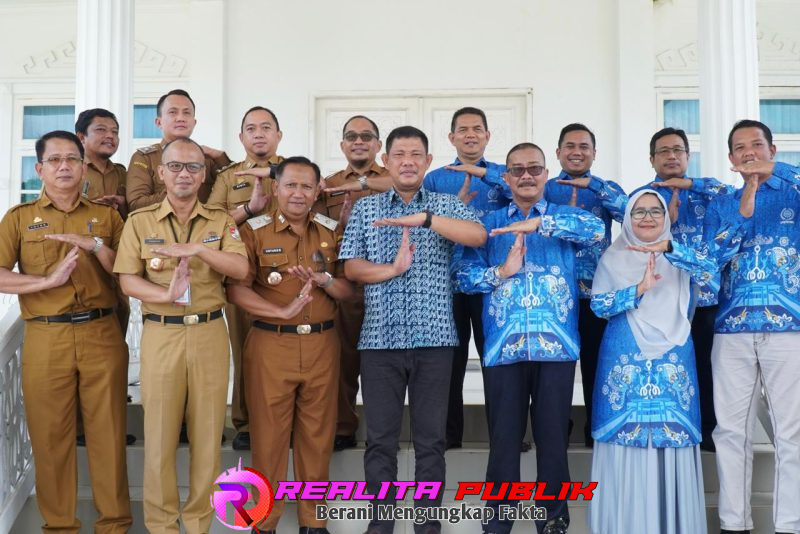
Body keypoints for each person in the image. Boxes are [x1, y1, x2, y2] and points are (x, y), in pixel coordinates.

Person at [339, 125, 486, 534]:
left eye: (415, 154)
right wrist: (391, 270)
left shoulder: (443, 205)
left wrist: (426, 219)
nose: (407, 161)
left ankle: (427, 526)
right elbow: (351, 266)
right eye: (399, 154)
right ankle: (380, 526)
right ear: (385, 161)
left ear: (427, 162)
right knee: (381, 441)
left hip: (435, 341)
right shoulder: (369, 210)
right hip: (379, 341)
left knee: (430, 443)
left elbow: (477, 235)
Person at [455, 142, 604, 534]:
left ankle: (553, 520)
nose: (526, 175)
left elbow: (597, 229)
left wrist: (540, 224)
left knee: (553, 438)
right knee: (504, 440)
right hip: (504, 347)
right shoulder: (486, 224)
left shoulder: (567, 217)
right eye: (517, 169)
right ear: (505, 178)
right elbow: (463, 275)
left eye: (534, 169)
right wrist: (501, 272)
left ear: (546, 175)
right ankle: (498, 521)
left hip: (555, 347)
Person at [114, 137, 248, 534]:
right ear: (161, 172)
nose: (184, 174)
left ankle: (198, 524)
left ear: (204, 174)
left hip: (208, 332)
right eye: (175, 166)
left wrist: (199, 250)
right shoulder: (140, 222)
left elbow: (240, 270)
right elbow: (126, 280)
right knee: (158, 439)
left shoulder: (221, 221)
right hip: (162, 333)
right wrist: (165, 295)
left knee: (207, 439)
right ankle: (161, 526)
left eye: (192, 167)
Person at [0, 130, 131, 533]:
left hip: (101, 332)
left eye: (71, 159)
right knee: (51, 437)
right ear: (39, 168)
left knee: (108, 435)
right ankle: (60, 527)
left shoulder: (108, 217)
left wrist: (94, 245)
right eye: (54, 160)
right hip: (46, 336)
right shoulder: (18, 219)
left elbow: (128, 272)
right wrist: (45, 282)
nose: (63, 167)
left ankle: (114, 524)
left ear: (83, 166)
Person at [227, 156, 355, 534]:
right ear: (275, 189)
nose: (298, 193)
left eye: (306, 187)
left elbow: (348, 289)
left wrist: (325, 281)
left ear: (317, 191)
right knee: (268, 440)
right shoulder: (254, 231)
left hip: (322, 345)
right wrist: (279, 312)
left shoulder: (333, 231)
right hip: (271, 344)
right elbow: (236, 288)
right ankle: (263, 523)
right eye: (290, 186)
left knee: (317, 439)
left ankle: (313, 524)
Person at [588, 190, 715, 534]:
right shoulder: (612, 259)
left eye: (655, 211)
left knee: (670, 441)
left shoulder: (681, 257)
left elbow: (711, 279)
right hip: (623, 356)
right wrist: (637, 289)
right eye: (639, 211)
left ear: (667, 217)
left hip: (673, 357)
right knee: (624, 443)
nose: (647, 217)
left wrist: (670, 251)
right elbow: (598, 305)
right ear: (627, 218)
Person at [704, 120, 800, 534]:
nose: (749, 153)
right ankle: (734, 524)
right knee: (730, 431)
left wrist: (777, 172)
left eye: (756, 145)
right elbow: (710, 259)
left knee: (790, 434)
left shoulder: (795, 191)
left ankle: (789, 524)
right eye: (740, 148)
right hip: (732, 328)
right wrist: (745, 205)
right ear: (730, 160)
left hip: (788, 326)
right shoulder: (721, 203)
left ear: (773, 149)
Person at [631, 127, 736, 451]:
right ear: (652, 159)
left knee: (706, 365)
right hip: (658, 297)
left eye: (678, 150)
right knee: (665, 364)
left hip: (703, 298)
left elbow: (730, 190)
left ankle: (707, 430)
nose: (672, 156)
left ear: (688, 157)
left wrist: (687, 185)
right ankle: (666, 424)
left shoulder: (710, 194)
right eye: (664, 151)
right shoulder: (642, 197)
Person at [423, 106, 510, 450]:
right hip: (449, 282)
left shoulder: (503, 174)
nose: (470, 134)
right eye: (463, 129)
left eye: (477, 129)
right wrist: (451, 210)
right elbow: (425, 228)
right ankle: (448, 434)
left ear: (488, 136)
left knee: (497, 360)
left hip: (494, 280)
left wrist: (482, 173)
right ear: (452, 137)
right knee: (449, 362)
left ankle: (504, 435)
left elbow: (519, 198)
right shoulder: (435, 179)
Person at [205, 105, 285, 451]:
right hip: (242, 274)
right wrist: (248, 209)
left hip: (288, 275)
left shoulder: (294, 170)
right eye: (251, 128)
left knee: (286, 349)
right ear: (241, 138)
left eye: (266, 127)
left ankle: (285, 419)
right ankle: (247, 422)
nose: (259, 133)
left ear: (278, 135)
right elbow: (211, 225)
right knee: (244, 350)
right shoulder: (227, 178)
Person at [543, 123, 626, 447]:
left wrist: (597, 187)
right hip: (555, 294)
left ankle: (595, 429)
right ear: (558, 152)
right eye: (570, 146)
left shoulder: (605, 189)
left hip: (596, 292)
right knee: (555, 368)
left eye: (584, 147)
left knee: (596, 362)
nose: (577, 152)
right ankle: (555, 431)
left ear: (594, 153)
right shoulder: (546, 188)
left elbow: (631, 216)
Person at [313, 115, 386, 451]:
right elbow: (315, 229)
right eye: (352, 136)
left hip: (385, 285)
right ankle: (343, 426)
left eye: (367, 136)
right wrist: (338, 227)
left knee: (382, 363)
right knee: (341, 359)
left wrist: (363, 186)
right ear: (342, 145)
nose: (359, 141)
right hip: (342, 284)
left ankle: (383, 430)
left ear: (378, 145)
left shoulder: (393, 179)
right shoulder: (326, 184)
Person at [126, 89, 231, 211]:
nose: (180, 118)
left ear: (194, 122)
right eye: (173, 112)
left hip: (202, 228)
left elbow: (234, 190)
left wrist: (221, 158)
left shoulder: (207, 158)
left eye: (186, 113)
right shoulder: (145, 158)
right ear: (158, 122)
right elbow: (136, 203)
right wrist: (180, 193)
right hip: (158, 227)